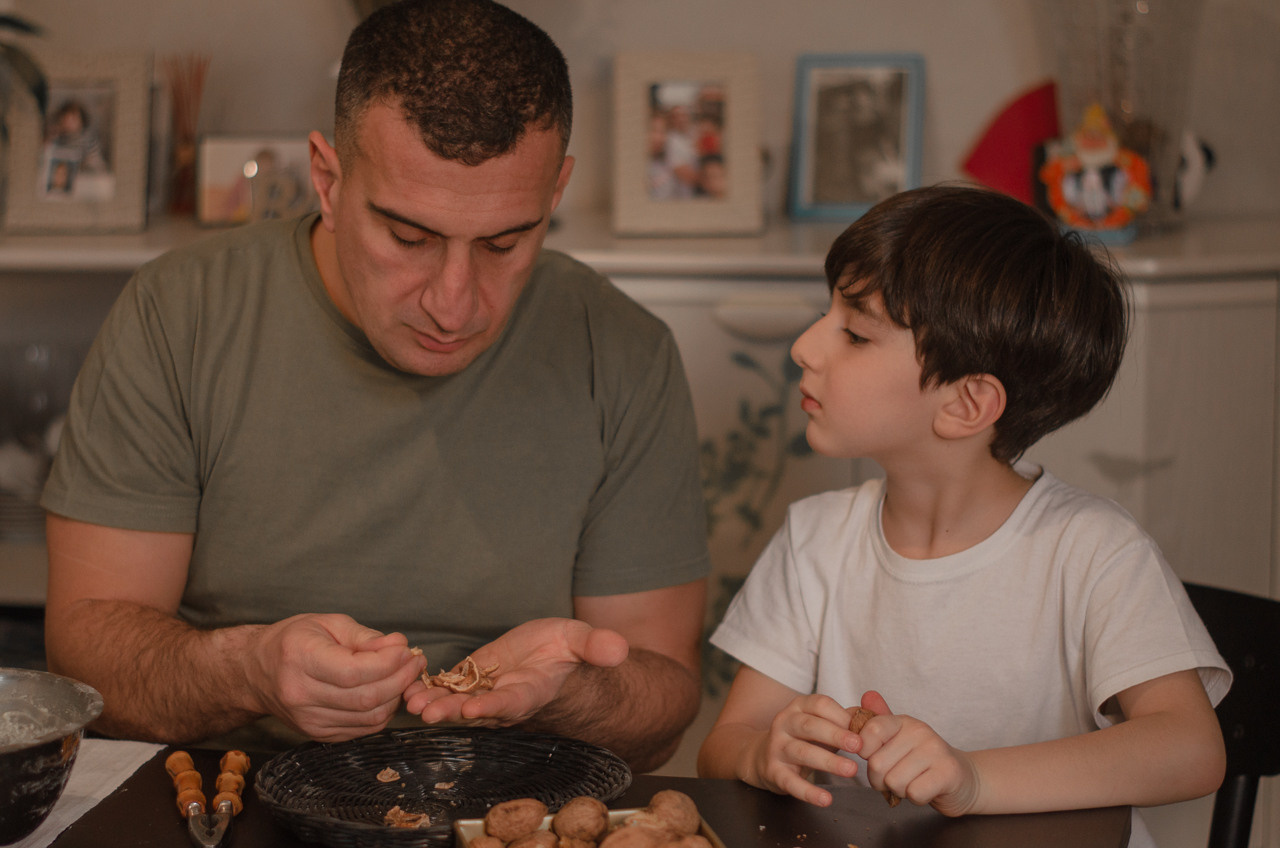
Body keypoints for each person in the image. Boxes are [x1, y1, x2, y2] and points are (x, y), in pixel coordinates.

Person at [40, 0, 709, 772]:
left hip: (506, 800)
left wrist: (563, 695)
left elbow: (663, 708)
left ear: (554, 194)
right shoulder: (179, 313)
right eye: (409, 237)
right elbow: (85, 663)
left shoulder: (622, 349)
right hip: (226, 789)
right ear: (326, 179)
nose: (453, 303)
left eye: (504, 242)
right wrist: (250, 669)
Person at [696, 184, 1229, 844]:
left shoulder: (1092, 549)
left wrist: (971, 778)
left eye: (855, 333)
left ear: (966, 404)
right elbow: (724, 746)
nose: (807, 347)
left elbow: (1191, 750)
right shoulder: (815, 539)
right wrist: (763, 755)